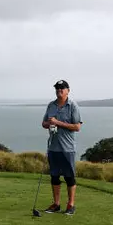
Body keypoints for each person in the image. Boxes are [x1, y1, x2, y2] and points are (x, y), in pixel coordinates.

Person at [41, 79, 83, 215]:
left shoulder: (73, 106)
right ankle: (56, 204)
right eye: (57, 89)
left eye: (62, 89)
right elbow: (43, 123)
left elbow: (77, 127)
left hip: (67, 148)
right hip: (53, 147)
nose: (59, 91)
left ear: (68, 91)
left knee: (69, 177)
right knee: (54, 176)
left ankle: (70, 205)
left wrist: (58, 122)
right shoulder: (51, 105)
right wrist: (50, 124)